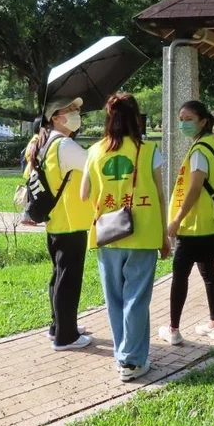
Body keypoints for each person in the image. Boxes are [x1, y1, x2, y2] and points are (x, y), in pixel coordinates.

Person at [81, 94, 170, 382]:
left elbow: (84, 194)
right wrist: (165, 235)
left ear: (109, 117)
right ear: (137, 118)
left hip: (106, 233)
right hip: (143, 232)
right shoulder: (148, 150)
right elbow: (159, 193)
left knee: (115, 299)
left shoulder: (94, 151)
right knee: (137, 298)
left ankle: (127, 356)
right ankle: (131, 361)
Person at [24, 99, 93, 350]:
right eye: (70, 111)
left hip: (55, 221)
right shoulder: (64, 144)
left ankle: (60, 326)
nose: (76, 114)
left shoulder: (41, 143)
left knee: (59, 275)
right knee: (69, 278)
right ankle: (67, 337)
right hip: (71, 220)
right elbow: (93, 166)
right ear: (55, 118)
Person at [159, 101, 214, 345]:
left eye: (188, 118)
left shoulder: (200, 150)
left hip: (193, 225)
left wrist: (176, 220)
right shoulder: (213, 145)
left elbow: (195, 187)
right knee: (209, 273)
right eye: (180, 118)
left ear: (202, 121)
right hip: (211, 223)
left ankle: (174, 329)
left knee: (180, 275)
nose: (183, 123)